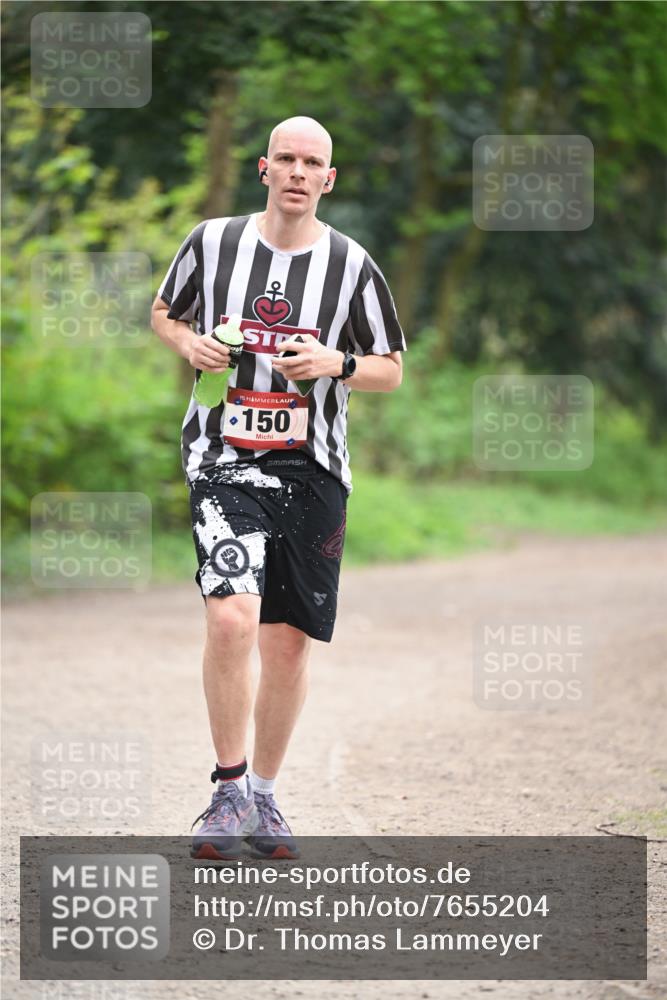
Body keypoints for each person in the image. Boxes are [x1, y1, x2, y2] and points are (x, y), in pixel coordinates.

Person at [151, 116, 406, 860]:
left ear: (329, 180)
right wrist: (185, 341)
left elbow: (390, 365)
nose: (298, 172)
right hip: (222, 455)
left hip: (313, 467)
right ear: (264, 168)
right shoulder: (211, 242)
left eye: (313, 163)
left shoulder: (353, 265)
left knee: (288, 644)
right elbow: (165, 312)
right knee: (232, 619)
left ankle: (263, 796)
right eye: (286, 158)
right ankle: (226, 791)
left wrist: (337, 363)